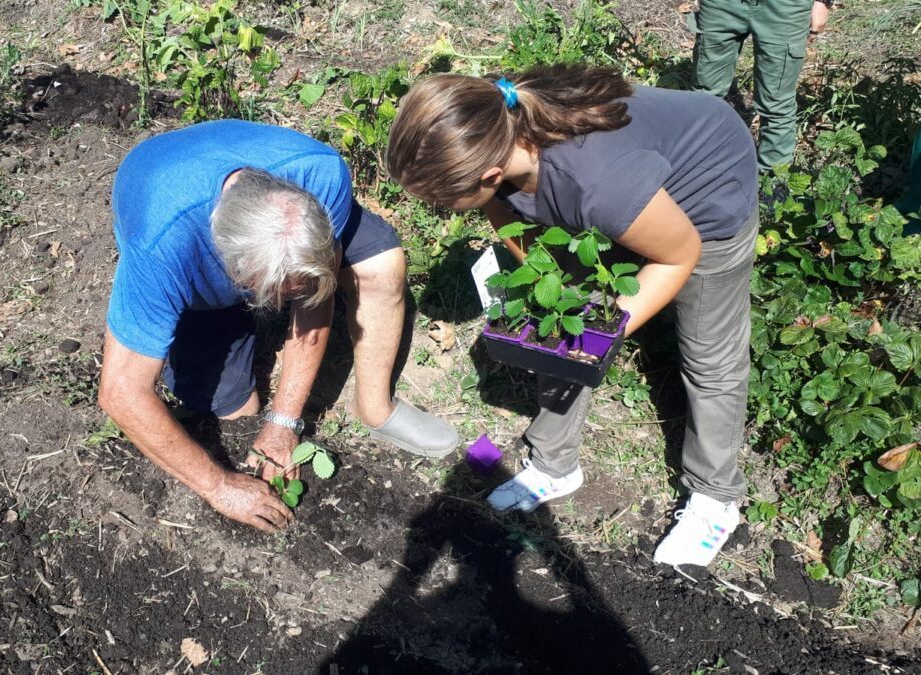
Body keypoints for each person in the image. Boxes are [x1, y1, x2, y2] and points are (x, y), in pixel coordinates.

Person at [385, 65, 758, 567]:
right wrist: (556, 294)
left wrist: (601, 331)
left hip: (707, 188)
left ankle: (717, 496)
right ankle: (554, 463)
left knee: (709, 358)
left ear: (491, 174)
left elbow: (679, 255)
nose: (439, 210)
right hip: (627, 187)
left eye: (441, 201)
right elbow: (506, 216)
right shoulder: (488, 121)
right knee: (555, 323)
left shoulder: (600, 183)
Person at [98, 120, 458, 533]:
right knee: (235, 411)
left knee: (380, 266)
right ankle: (226, 315)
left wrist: (284, 420)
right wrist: (219, 486)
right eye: (272, 294)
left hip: (277, 215)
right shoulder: (162, 248)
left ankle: (375, 407)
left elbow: (314, 297)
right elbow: (121, 393)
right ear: (233, 271)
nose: (285, 302)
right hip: (176, 217)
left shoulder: (321, 176)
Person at [689, 0, 832, 171]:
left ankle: (772, 180)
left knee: (776, 101)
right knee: (703, 95)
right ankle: (696, 168)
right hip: (722, 6)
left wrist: (823, 2)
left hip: (784, 8)